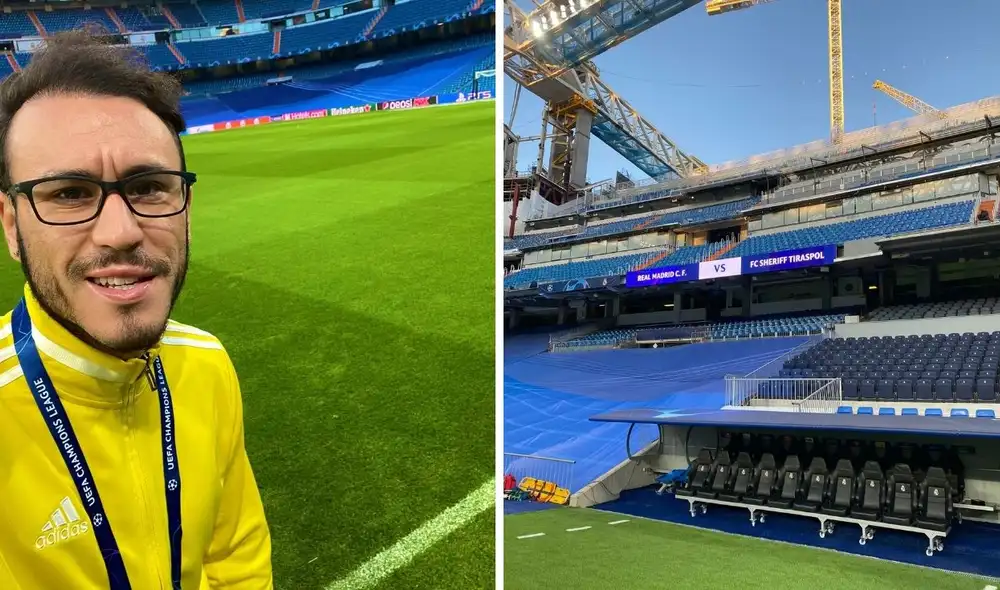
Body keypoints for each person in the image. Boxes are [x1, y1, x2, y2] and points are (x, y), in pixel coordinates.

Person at [0, 31, 272, 588]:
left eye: (149, 187)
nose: (121, 232)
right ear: (10, 224)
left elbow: (235, 554)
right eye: (69, 194)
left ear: (187, 207)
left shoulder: (207, 364)